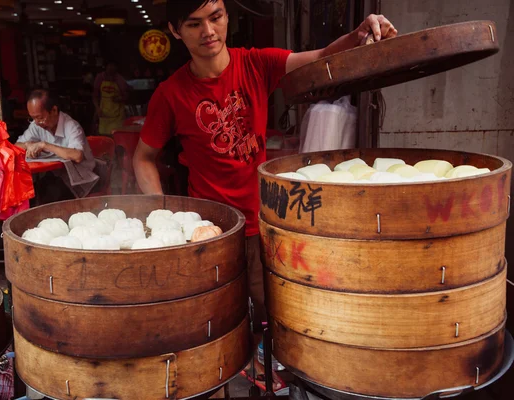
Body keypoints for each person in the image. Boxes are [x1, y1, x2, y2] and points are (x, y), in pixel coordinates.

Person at [133, 0, 397, 388]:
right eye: (193, 24)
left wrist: (359, 35)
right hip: (211, 234)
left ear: (226, 16)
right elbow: (143, 158)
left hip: (267, 222)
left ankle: (277, 374)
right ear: (175, 31)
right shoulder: (171, 94)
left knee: (281, 313)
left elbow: (322, 56)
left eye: (216, 17)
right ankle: (230, 378)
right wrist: (162, 215)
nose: (208, 31)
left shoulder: (255, 63)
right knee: (217, 321)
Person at [16, 89, 95, 202]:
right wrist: (28, 144)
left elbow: (77, 156)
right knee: (30, 191)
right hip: (55, 176)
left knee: (51, 194)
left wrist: (44, 145)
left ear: (54, 110)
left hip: (80, 179)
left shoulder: (72, 126)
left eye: (40, 118)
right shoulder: (36, 125)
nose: (37, 122)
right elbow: (16, 146)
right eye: (32, 118)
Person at [93, 61, 131, 134]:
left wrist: (119, 98)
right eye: (109, 65)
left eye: (113, 66)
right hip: (103, 114)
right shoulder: (100, 78)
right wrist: (97, 108)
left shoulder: (120, 79)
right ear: (106, 67)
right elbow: (95, 96)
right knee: (104, 137)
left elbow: (127, 96)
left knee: (116, 135)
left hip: (118, 116)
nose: (111, 68)